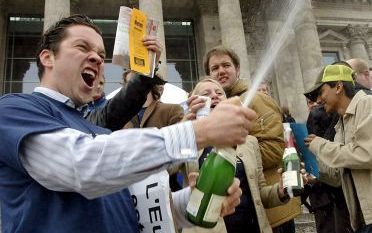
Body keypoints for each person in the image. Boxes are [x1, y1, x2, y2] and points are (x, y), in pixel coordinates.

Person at [0, 15, 256, 233]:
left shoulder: (94, 124)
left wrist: (192, 201)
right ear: (47, 57)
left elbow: (135, 206)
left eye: (101, 54)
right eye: (82, 47)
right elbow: (81, 163)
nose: (98, 59)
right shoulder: (14, 109)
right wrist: (197, 132)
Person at [203, 45, 301, 232]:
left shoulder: (255, 98)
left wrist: (231, 162)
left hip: (273, 211)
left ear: (237, 70)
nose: (221, 71)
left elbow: (275, 148)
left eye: (226, 65)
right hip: (248, 211)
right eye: (215, 68)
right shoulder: (220, 105)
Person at [183, 78, 291, 233]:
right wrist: (185, 128)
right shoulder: (188, 140)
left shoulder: (249, 142)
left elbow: (260, 193)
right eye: (206, 94)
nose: (214, 96)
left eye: (219, 92)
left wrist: (280, 191)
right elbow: (166, 170)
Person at [304, 64, 372, 233]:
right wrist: (312, 172)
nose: (318, 100)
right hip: (361, 219)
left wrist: (320, 145)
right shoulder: (340, 125)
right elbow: (338, 175)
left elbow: (366, 154)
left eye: (321, 92)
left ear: (339, 86)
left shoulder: (368, 105)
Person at [123, 72, 185, 191]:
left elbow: (181, 150)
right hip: (131, 193)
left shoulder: (172, 110)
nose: (132, 87)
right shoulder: (120, 118)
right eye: (129, 83)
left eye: (136, 81)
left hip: (166, 190)